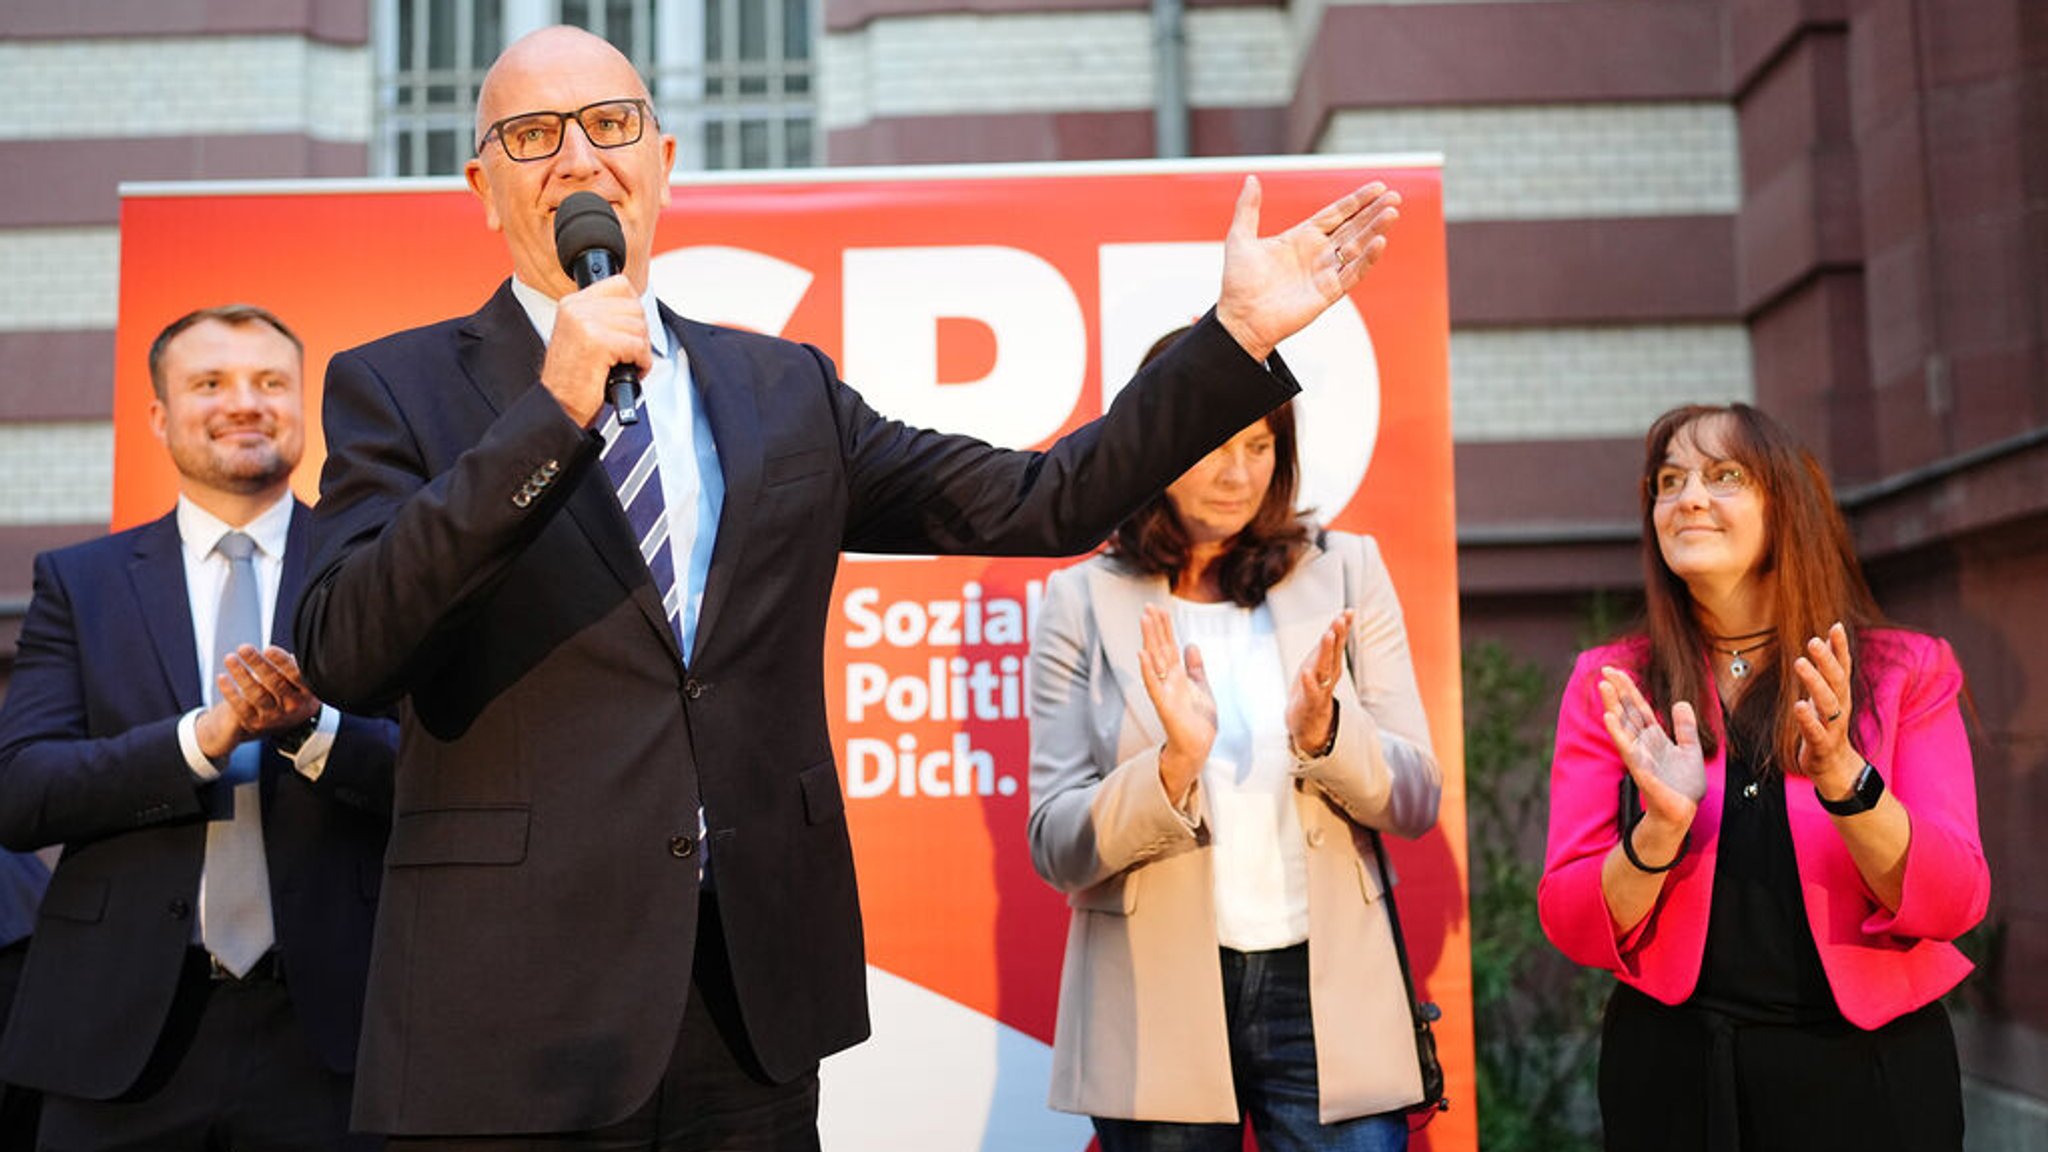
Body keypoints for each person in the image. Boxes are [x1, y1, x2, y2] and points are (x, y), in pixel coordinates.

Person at [290, 23, 1402, 1152]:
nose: (578, 159)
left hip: (747, 999)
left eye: (609, 124)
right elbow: (348, 646)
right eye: (533, 135)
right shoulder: (397, 386)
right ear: (484, 188)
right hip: (511, 1012)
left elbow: (1042, 501)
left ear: (663, 163)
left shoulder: (781, 389)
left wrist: (1232, 340)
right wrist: (553, 409)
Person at [1025, 331, 1442, 1152]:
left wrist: (1328, 733)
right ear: (1153, 444)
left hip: (1327, 994)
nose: (1238, 472)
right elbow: (1054, 844)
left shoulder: (1345, 570)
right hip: (1155, 998)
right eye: (1212, 445)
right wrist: (1173, 766)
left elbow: (1417, 797)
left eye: (1258, 445)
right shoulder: (1079, 599)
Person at [1537, 403, 1989, 1151]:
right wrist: (1658, 834)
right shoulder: (1613, 682)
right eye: (1670, 480)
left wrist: (1845, 776)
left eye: (1724, 477)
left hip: (1867, 1077)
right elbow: (1572, 919)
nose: (1687, 499)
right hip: (1673, 1078)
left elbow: (1955, 901)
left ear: (1788, 505)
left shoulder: (1905, 671)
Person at [0, 305, 398, 1152]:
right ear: (160, 414)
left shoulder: (375, 567)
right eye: (209, 383)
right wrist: (200, 739)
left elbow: (439, 771)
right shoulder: (82, 583)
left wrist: (314, 729)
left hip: (340, 1029)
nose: (243, 403)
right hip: (121, 1037)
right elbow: (21, 790)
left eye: (269, 383)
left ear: (303, 405)